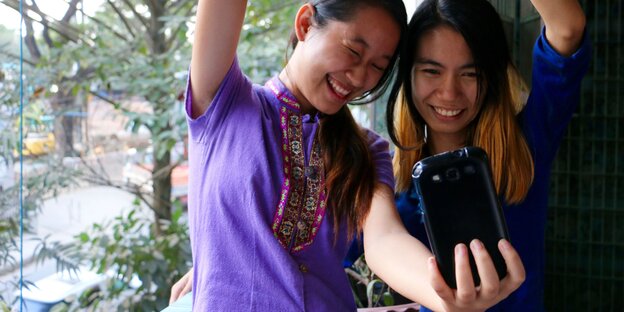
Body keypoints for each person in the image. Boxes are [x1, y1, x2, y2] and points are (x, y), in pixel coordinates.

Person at [174, 0, 526, 310]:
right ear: (305, 23)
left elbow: (385, 239)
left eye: (377, 66)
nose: (359, 77)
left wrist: (446, 297)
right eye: (354, 52)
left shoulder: (368, 150)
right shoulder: (226, 105)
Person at [385, 0, 590, 310]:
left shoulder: (528, 143)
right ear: (407, 75)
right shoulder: (391, 182)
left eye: (471, 74)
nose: (449, 93)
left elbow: (567, 28)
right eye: (431, 71)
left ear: (492, 77)